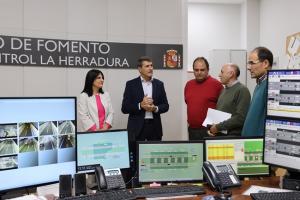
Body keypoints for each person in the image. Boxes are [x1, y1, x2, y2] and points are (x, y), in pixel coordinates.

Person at [121, 56, 169, 184]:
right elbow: (125, 108)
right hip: (137, 129)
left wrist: (155, 108)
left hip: (154, 127)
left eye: (151, 65)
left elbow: (166, 105)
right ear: (139, 69)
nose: (150, 68)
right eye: (147, 66)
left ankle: (156, 184)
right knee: (136, 159)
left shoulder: (159, 84)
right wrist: (140, 105)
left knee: (155, 158)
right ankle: (135, 185)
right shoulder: (131, 84)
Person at [184, 57, 223, 140]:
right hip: (192, 130)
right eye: (196, 70)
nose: (199, 72)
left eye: (202, 70)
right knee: (194, 153)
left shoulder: (217, 85)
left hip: (210, 130)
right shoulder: (189, 85)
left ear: (208, 70)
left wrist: (216, 128)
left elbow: (223, 108)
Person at [208, 63, 251, 136]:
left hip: (232, 137)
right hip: (220, 134)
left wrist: (217, 127)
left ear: (231, 74)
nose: (219, 75)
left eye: (222, 72)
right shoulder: (224, 90)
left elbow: (240, 118)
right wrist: (212, 128)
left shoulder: (242, 90)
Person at [242, 47, 273, 136]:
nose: (249, 67)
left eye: (252, 63)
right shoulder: (259, 84)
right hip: (250, 141)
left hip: (258, 143)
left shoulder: (270, 86)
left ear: (265, 63)